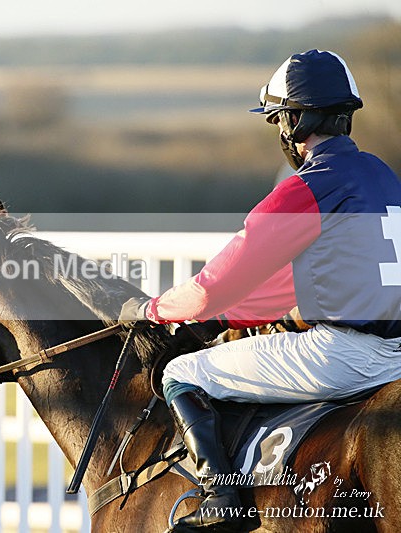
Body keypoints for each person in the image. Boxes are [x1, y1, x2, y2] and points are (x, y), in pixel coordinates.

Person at [119, 49, 401, 531]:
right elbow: (293, 285)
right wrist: (227, 319)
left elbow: (211, 287)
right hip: (397, 353)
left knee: (181, 373)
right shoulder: (382, 175)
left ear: (294, 122)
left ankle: (221, 499)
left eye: (278, 120)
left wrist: (154, 309)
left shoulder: (305, 188)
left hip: (342, 356)